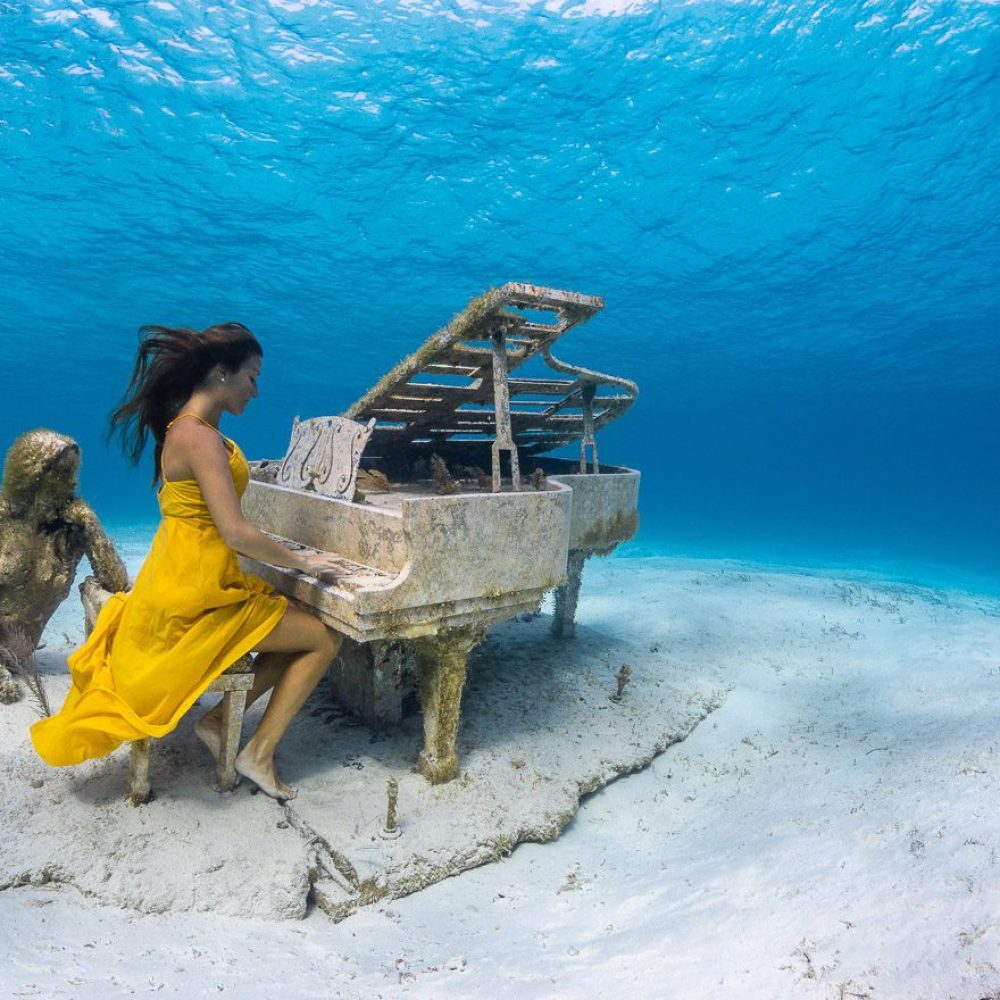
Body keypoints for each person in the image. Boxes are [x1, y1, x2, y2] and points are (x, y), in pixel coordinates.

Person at [31, 322, 343, 801]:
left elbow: (201, 520)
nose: (257, 391)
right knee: (323, 636)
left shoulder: (187, 427)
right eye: (252, 377)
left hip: (182, 576)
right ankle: (257, 753)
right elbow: (235, 532)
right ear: (221, 372)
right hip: (198, 593)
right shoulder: (200, 438)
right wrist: (302, 561)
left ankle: (220, 721)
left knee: (288, 623)